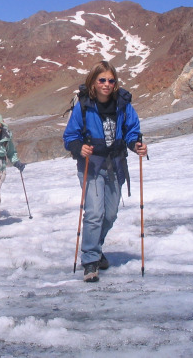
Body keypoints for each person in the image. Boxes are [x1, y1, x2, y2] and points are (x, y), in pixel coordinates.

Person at [62, 60, 148, 283]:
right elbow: (70, 137)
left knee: (110, 214)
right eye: (102, 80)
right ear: (93, 82)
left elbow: (132, 131)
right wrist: (79, 147)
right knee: (94, 213)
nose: (107, 84)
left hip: (115, 166)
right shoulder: (84, 105)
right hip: (92, 166)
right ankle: (90, 260)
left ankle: (96, 249)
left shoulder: (123, 105)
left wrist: (135, 145)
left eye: (111, 80)